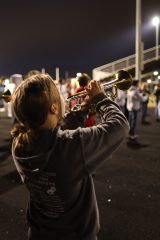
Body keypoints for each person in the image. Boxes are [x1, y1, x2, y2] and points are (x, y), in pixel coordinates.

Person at [11, 73, 129, 240]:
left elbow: (50, 131)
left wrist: (84, 109)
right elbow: (120, 125)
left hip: (39, 233)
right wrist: (101, 98)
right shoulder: (70, 146)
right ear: (54, 108)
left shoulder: (19, 144)